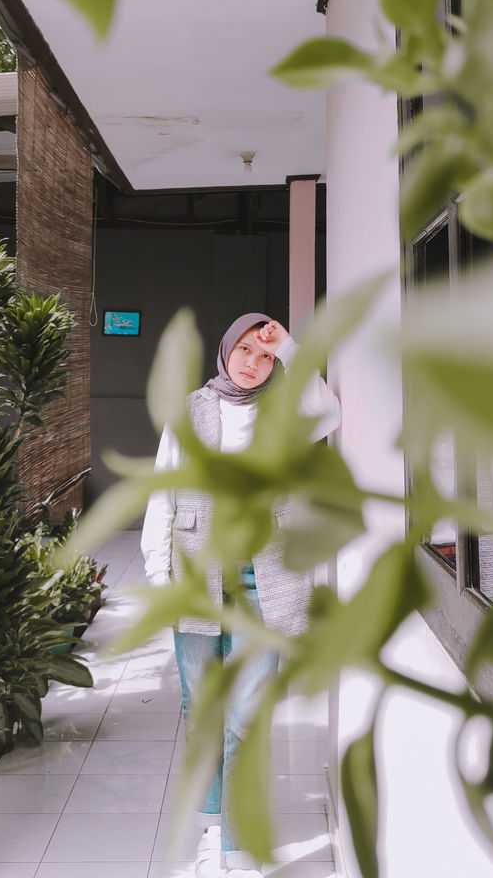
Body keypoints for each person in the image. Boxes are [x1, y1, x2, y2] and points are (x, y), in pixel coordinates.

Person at [141, 312, 341, 878]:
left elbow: (329, 412)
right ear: (226, 351)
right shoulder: (192, 410)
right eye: (245, 351)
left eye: (265, 355)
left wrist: (290, 345)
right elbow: (163, 496)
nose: (253, 364)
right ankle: (213, 829)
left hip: (264, 580)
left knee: (246, 717)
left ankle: (235, 846)